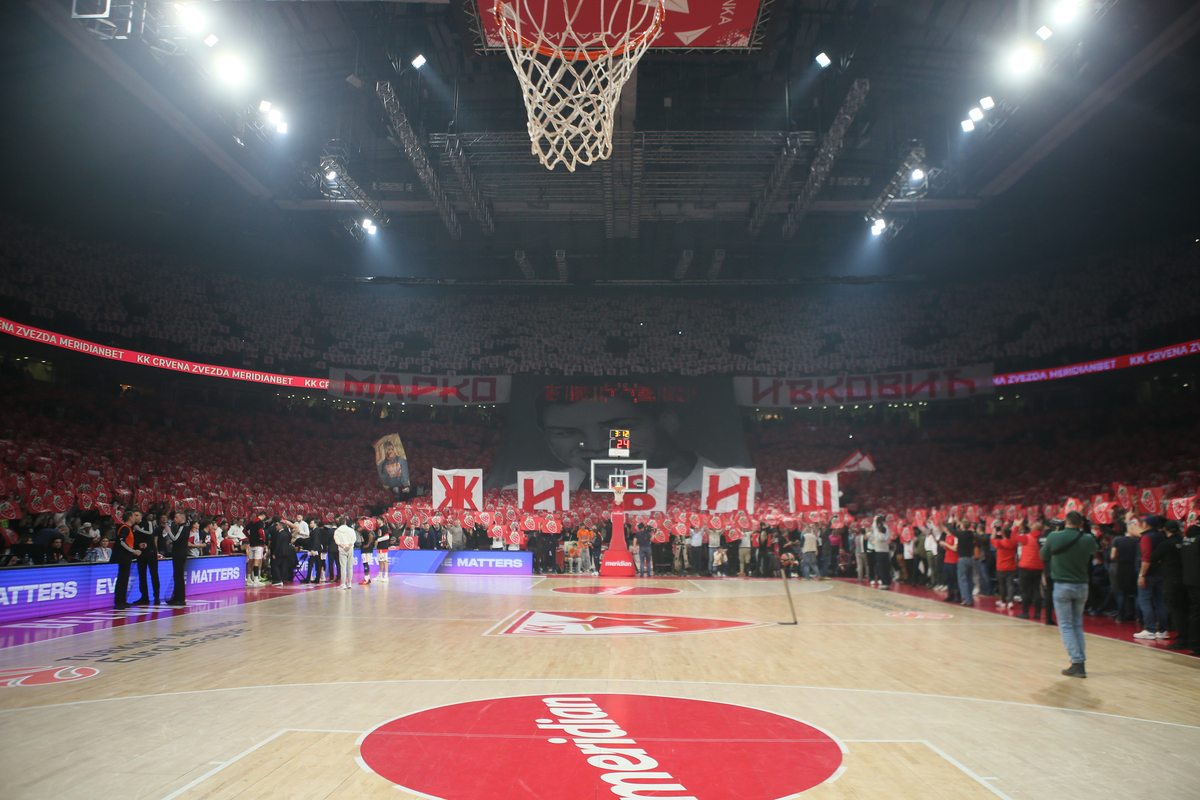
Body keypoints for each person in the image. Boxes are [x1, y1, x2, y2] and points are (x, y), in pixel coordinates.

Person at [1040, 511, 1097, 677]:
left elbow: (1043, 555)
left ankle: (1077, 662)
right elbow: (1094, 550)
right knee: (1077, 625)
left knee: (1066, 626)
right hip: (1082, 585)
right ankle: (1080, 661)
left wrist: (1057, 534)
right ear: (1081, 523)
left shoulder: (1054, 536)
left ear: (1065, 521)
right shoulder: (1087, 538)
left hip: (1062, 585)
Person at [1133, 516, 1169, 640]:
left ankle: (1150, 629)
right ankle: (1162, 630)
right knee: (1160, 601)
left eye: (1143, 522)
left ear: (1147, 525)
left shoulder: (1146, 537)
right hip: (1160, 572)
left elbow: (1146, 557)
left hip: (1149, 573)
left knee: (1145, 601)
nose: (1142, 524)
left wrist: (1142, 575)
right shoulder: (1161, 536)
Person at [112, 510, 144, 609]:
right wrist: (133, 551)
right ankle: (119, 602)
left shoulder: (128, 528)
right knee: (122, 578)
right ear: (130, 518)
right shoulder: (124, 528)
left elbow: (128, 542)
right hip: (123, 556)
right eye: (133, 516)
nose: (135, 518)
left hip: (127, 556)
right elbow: (121, 542)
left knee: (125, 578)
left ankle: (123, 600)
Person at [1015, 523, 1045, 620]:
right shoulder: (1043, 538)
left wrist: (1017, 526)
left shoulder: (1027, 537)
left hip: (1025, 566)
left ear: (1033, 528)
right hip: (1038, 567)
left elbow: (1013, 536)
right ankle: (1037, 613)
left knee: (1025, 591)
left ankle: (1025, 612)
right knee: (1036, 590)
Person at [133, 513, 160, 605]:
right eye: (133, 515)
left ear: (141, 516)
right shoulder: (132, 527)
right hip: (140, 553)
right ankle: (144, 597)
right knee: (142, 575)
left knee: (154, 574)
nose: (135, 517)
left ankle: (156, 597)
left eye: (137, 515)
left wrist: (139, 529)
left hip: (151, 552)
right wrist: (137, 546)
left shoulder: (147, 523)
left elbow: (150, 533)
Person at [166, 516, 191, 607]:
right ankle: (176, 597)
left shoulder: (183, 527)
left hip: (179, 554)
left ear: (182, 518)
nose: (174, 519)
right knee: (177, 575)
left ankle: (180, 598)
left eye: (176, 517)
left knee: (179, 576)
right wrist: (172, 543)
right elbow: (179, 540)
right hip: (179, 553)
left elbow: (176, 538)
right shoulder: (184, 528)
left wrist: (168, 531)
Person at [993, 525, 1019, 610]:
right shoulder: (1014, 542)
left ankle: (1003, 601)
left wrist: (994, 530)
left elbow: (991, 539)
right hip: (1011, 566)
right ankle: (1011, 601)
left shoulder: (999, 542)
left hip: (1001, 567)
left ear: (1003, 534)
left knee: (1002, 585)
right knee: (1010, 585)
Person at [333, 517, 357, 589]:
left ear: (339, 523)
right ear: (345, 522)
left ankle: (343, 584)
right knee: (350, 567)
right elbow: (354, 539)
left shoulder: (337, 531)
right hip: (350, 549)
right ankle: (349, 583)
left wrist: (344, 547)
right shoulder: (351, 530)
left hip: (342, 549)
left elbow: (337, 541)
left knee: (343, 567)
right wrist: (349, 546)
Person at [245, 512, 267, 586]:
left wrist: (249, 536)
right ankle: (256, 580)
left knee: (250, 562)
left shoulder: (252, 521)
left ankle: (248, 579)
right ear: (263, 516)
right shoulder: (260, 522)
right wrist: (263, 539)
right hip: (258, 544)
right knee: (256, 562)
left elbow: (244, 530)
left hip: (251, 543)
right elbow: (260, 531)